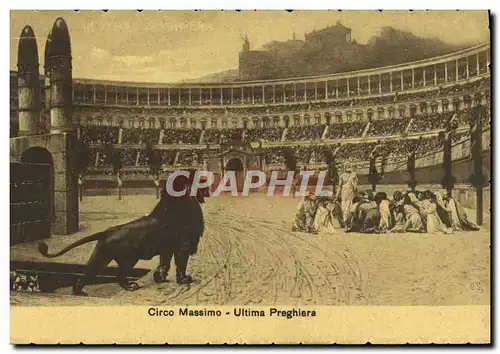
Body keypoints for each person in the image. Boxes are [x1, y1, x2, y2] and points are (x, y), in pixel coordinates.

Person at [336, 162, 358, 227]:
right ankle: (345, 223)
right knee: (344, 208)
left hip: (351, 194)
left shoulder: (353, 175)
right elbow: (339, 186)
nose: (348, 167)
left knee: (350, 208)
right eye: (347, 166)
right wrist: (337, 195)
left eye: (349, 166)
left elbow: (355, 187)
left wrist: (354, 179)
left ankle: (350, 223)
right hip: (344, 194)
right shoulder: (342, 176)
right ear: (344, 167)